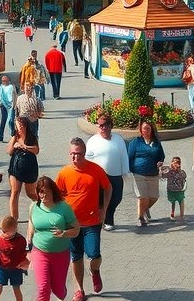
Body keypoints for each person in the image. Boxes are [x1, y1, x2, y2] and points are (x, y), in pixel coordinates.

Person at [56, 138, 111, 299]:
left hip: (92, 222)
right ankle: (79, 290)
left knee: (94, 255)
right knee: (76, 256)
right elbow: (57, 195)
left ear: (84, 153)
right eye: (72, 154)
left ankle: (94, 270)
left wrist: (104, 209)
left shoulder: (95, 170)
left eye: (79, 154)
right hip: (72, 224)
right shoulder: (64, 173)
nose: (75, 158)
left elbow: (108, 188)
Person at [27, 177, 79, 301]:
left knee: (59, 291)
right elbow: (31, 222)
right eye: (41, 192)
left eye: (47, 192)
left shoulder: (63, 207)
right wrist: (28, 243)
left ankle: (62, 289)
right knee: (43, 288)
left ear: (53, 191)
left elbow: (76, 229)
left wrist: (64, 233)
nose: (43, 195)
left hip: (60, 254)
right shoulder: (34, 206)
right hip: (40, 251)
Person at [85, 113, 130, 230]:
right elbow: (87, 159)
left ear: (110, 126)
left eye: (105, 125)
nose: (103, 128)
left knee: (116, 198)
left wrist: (125, 171)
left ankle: (107, 214)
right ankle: (105, 220)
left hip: (115, 175)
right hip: (99, 177)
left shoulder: (118, 139)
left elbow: (123, 155)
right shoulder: (92, 141)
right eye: (100, 125)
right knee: (100, 199)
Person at [126, 121, 164, 227]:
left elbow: (161, 155)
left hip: (153, 173)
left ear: (151, 130)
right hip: (139, 173)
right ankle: (141, 217)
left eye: (148, 128)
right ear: (140, 130)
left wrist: (160, 161)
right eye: (144, 128)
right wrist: (130, 170)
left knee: (154, 197)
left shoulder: (156, 142)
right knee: (142, 196)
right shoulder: (135, 142)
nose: (146, 130)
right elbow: (130, 157)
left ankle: (145, 208)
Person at [7, 116, 40, 221]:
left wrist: (25, 147)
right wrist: (14, 145)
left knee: (30, 193)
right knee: (15, 191)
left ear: (26, 125)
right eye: (17, 124)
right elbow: (9, 152)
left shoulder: (32, 137)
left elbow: (36, 150)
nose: (20, 126)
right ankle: (14, 218)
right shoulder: (14, 137)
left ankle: (42, 207)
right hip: (15, 168)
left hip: (29, 168)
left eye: (21, 124)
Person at [0, 215, 29, 301]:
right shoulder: (0, 239)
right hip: (2, 269)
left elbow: (25, 253)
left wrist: (25, 263)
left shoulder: (20, 240)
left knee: (16, 288)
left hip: (16, 269)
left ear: (14, 230)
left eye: (5, 232)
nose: (2, 233)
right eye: (1, 230)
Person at [160, 157, 187, 222]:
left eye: (178, 163)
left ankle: (182, 215)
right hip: (171, 190)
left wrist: (178, 171)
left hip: (179, 190)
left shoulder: (181, 172)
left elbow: (184, 176)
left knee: (181, 201)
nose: (176, 164)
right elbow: (162, 175)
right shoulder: (169, 171)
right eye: (174, 163)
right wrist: (166, 167)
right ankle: (172, 214)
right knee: (173, 202)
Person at [0, 75, 16, 142]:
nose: (3, 82)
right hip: (3, 105)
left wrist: (14, 105)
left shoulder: (11, 87)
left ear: (9, 81)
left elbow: (14, 96)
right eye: (2, 81)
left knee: (11, 121)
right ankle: (0, 137)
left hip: (11, 105)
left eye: (5, 81)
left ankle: (13, 135)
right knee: (3, 120)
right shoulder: (1, 87)